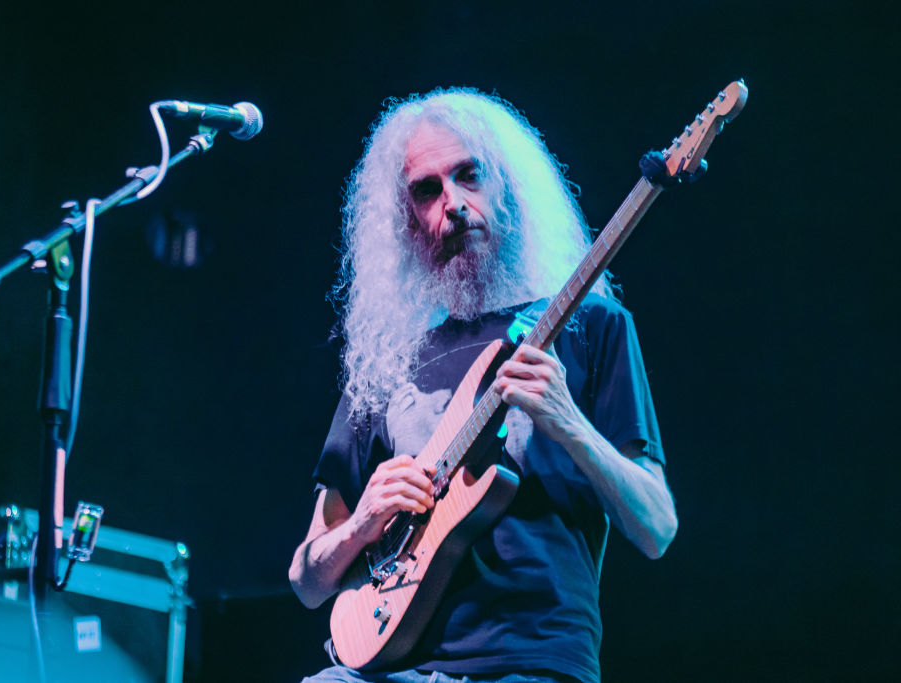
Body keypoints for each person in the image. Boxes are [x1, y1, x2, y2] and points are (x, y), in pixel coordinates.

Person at [288, 88, 678, 683]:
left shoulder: (590, 325)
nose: (454, 204)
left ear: (509, 189)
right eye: (427, 190)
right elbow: (308, 582)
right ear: (406, 222)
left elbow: (656, 529)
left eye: (470, 175)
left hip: (529, 662)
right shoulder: (388, 362)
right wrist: (365, 518)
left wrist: (569, 423)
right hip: (391, 666)